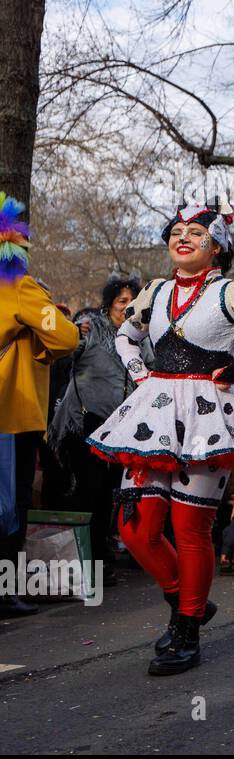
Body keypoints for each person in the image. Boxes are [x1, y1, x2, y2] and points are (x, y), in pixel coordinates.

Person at [87, 199, 234, 674]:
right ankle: (190, 602)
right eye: (176, 231)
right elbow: (126, 335)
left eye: (195, 233)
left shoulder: (233, 290)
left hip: (207, 417)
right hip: (155, 414)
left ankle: (186, 628)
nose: (182, 237)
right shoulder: (157, 290)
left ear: (217, 246)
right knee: (135, 525)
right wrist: (142, 375)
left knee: (189, 528)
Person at [0, 194, 79, 617]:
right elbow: (66, 337)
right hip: (11, 411)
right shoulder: (19, 288)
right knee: (10, 507)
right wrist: (44, 345)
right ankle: (4, 591)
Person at [48, 276, 140, 587]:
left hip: (119, 427)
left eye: (132, 302)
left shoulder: (139, 333)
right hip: (83, 420)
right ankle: (81, 563)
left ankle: (100, 560)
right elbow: (68, 352)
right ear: (110, 302)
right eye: (121, 302)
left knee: (107, 495)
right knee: (88, 492)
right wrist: (74, 335)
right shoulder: (91, 323)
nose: (127, 307)